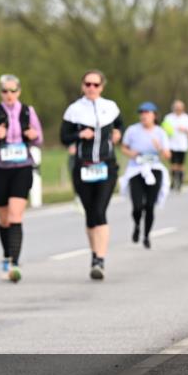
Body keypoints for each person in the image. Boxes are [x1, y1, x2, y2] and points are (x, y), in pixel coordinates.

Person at [0, 74, 43, 283]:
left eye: (13, 91)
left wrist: (34, 136)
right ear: (1, 93)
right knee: (4, 218)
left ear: (19, 92)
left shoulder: (28, 111)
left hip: (22, 168)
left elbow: (39, 139)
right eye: (5, 91)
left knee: (16, 216)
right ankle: (7, 255)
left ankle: (14, 263)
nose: (9, 95)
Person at [60, 70, 123, 280]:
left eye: (96, 85)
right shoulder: (74, 110)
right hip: (83, 167)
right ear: (82, 86)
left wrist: (118, 133)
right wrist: (79, 134)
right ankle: (94, 254)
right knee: (90, 214)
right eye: (88, 84)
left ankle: (100, 261)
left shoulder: (110, 107)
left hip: (106, 166)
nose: (91, 88)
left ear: (102, 87)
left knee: (100, 210)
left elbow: (120, 125)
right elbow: (63, 137)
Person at [119, 102, 171, 249]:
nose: (144, 116)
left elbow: (167, 155)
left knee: (149, 205)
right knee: (137, 206)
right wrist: (131, 153)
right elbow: (123, 148)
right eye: (141, 113)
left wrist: (158, 147)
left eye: (147, 113)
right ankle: (136, 225)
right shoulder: (132, 130)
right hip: (136, 169)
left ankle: (146, 235)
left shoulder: (160, 132)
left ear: (154, 115)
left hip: (154, 169)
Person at [162, 100, 188, 192]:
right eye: (176, 108)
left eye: (180, 108)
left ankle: (180, 181)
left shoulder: (187, 118)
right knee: (173, 164)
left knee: (180, 165)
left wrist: (185, 130)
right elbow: (163, 130)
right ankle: (174, 180)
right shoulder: (168, 118)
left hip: (183, 145)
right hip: (171, 144)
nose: (178, 110)